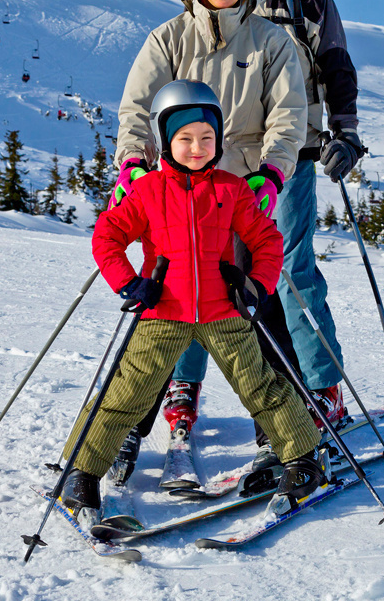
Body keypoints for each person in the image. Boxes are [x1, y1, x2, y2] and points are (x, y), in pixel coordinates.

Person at [60, 80, 326, 518]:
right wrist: (129, 284)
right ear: (165, 140)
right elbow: (107, 235)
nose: (197, 147)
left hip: (224, 311)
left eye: (207, 137)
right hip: (164, 311)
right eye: (185, 139)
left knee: (262, 386)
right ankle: (81, 472)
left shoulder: (231, 189)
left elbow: (267, 241)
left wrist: (255, 285)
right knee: (126, 393)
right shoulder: (146, 192)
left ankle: (302, 458)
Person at [108, 0, 308, 477]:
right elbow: (136, 109)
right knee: (161, 307)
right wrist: (132, 163)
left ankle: (282, 430)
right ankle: (125, 429)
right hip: (173, 193)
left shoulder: (271, 41)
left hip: (241, 189)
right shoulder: (168, 39)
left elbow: (289, 117)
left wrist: (271, 174)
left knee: (259, 304)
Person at [224, 0, 363, 438]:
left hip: (293, 150)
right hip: (227, 154)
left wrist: (346, 134)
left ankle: (323, 389)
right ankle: (256, 393)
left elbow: (335, 63)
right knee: (219, 275)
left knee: (288, 269)